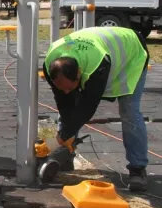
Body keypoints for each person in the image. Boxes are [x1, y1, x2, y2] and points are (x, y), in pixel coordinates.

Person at [42, 26, 150, 192]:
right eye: (62, 87)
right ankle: (65, 155)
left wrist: (59, 138)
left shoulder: (97, 66)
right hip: (100, 48)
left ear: (79, 74)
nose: (65, 91)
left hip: (132, 52)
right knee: (69, 105)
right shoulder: (50, 66)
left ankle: (138, 169)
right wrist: (61, 139)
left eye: (70, 87)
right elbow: (64, 103)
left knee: (129, 111)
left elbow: (87, 108)